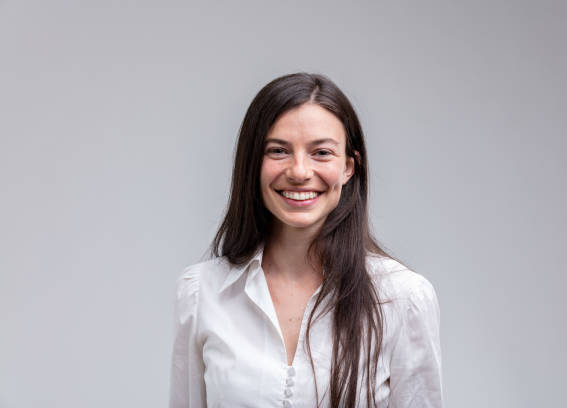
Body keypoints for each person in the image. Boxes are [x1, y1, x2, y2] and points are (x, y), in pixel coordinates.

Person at [168, 72, 443, 408]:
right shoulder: (201, 292)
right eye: (279, 151)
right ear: (253, 164)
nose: (299, 171)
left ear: (349, 167)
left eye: (321, 153)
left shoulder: (403, 298)